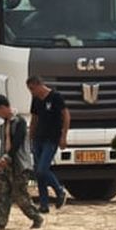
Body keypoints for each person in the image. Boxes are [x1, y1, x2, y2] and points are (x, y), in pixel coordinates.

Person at [0, 94, 44, 230]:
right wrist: (0, 160)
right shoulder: (3, 123)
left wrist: (6, 158)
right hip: (5, 163)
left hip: (18, 164)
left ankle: (36, 217)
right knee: (0, 193)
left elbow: (16, 143)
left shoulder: (20, 122)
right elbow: (4, 144)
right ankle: (0, 222)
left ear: (3, 108)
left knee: (20, 195)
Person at [27, 75, 70, 212]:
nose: (32, 92)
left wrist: (64, 136)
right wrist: (30, 136)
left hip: (51, 138)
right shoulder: (36, 100)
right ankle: (44, 204)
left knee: (42, 169)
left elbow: (66, 115)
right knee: (38, 173)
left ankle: (59, 191)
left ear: (39, 85)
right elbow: (34, 118)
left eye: (32, 89)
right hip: (38, 137)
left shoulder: (55, 97)